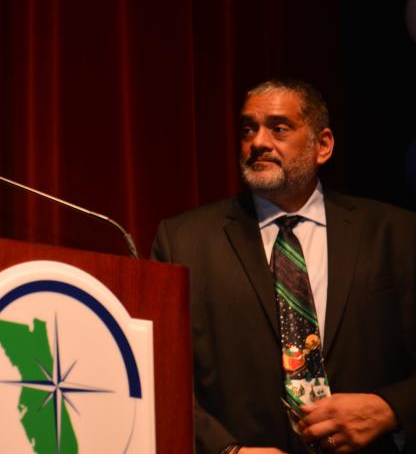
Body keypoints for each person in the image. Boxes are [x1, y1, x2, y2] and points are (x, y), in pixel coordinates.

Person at [152, 78, 415, 454]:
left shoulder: (398, 234)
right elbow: (161, 373)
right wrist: (225, 451)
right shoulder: (184, 241)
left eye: (278, 128)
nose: (257, 142)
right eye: (248, 129)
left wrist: (391, 408)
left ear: (322, 145)